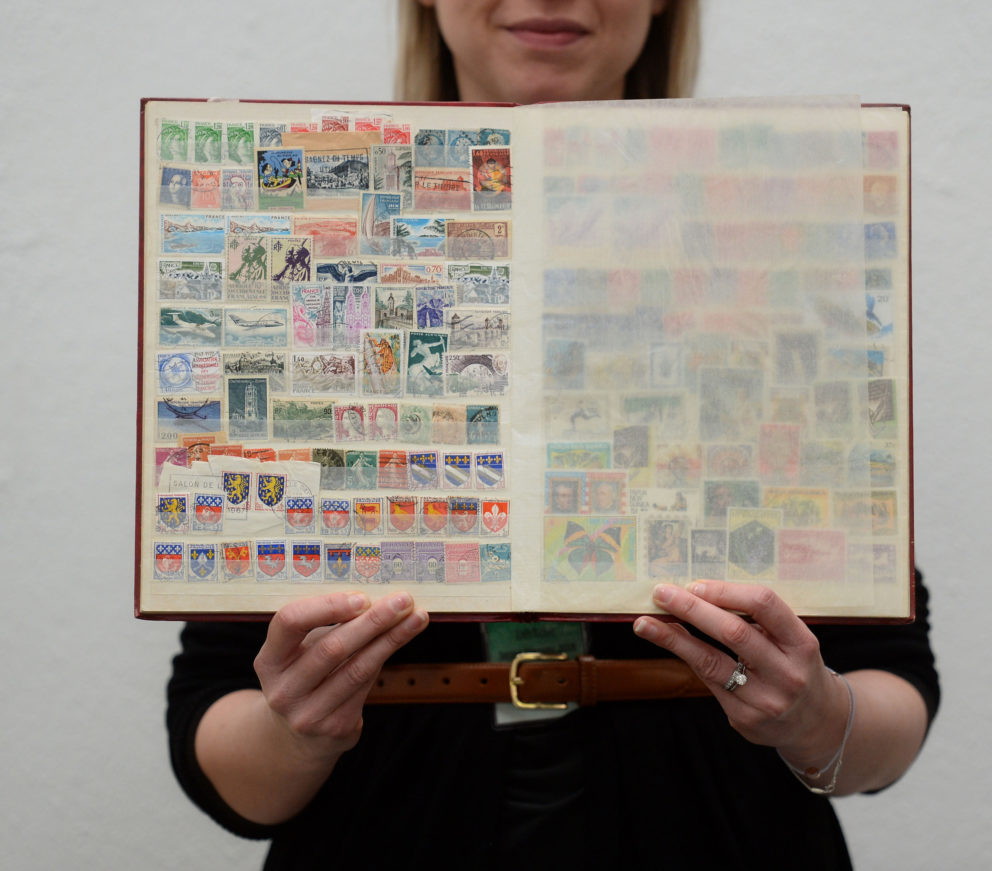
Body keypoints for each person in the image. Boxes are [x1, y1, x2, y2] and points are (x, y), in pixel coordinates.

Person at [168, 2, 938, 867]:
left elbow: (892, 677)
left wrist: (820, 718)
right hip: (389, 828)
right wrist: (296, 731)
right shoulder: (301, 226)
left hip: (717, 831)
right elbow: (215, 718)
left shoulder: (776, 233)